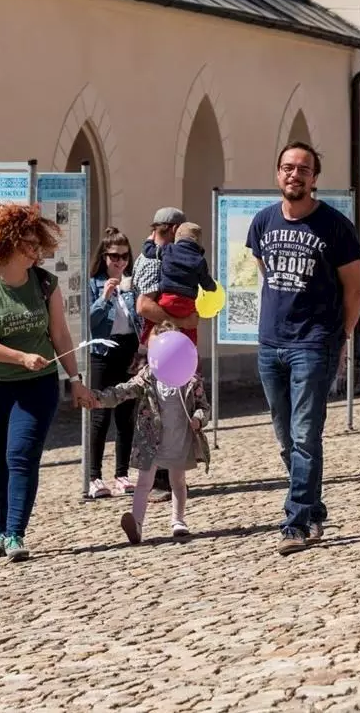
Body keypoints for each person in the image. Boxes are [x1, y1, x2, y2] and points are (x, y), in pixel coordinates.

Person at [0, 203, 96, 562]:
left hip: (37, 385)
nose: (37, 251)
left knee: (21, 456)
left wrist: (75, 379)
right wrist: (20, 357)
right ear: (8, 243)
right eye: (30, 244)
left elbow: (61, 335)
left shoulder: (45, 283)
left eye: (39, 244)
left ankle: (16, 534)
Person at [247, 141, 360, 555]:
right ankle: (314, 507)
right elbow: (264, 270)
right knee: (285, 437)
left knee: (304, 434)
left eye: (303, 169)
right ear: (277, 174)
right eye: (287, 168)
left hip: (315, 343)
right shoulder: (262, 223)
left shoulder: (334, 226)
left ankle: (295, 522)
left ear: (314, 178)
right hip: (270, 344)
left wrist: (343, 337)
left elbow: (354, 289)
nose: (294, 175)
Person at [94, 322, 210, 543]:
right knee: (144, 482)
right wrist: (98, 398)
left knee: (177, 480)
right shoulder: (147, 376)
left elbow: (204, 407)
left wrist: (197, 419)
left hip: (179, 439)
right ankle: (136, 524)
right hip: (151, 439)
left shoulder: (190, 378)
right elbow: (124, 390)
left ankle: (178, 520)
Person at [133, 208, 198, 505]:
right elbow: (144, 306)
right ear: (172, 229)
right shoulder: (153, 259)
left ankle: (171, 475)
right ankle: (159, 479)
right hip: (161, 346)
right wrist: (183, 322)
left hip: (175, 346)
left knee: (175, 410)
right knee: (160, 411)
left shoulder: (168, 256)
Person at [86, 228, 143, 499]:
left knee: (126, 416)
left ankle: (122, 474)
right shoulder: (93, 284)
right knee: (100, 415)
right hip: (102, 352)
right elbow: (89, 320)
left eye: (124, 256)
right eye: (114, 256)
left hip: (128, 350)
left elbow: (139, 319)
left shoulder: (131, 284)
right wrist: (104, 297)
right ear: (104, 257)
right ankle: (94, 477)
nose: (120, 261)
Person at [153, 221, 216, 346]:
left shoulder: (169, 249)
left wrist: (149, 242)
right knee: (190, 329)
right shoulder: (199, 260)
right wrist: (212, 287)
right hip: (186, 304)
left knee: (163, 329)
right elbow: (205, 282)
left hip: (166, 300)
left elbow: (151, 251)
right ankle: (189, 348)